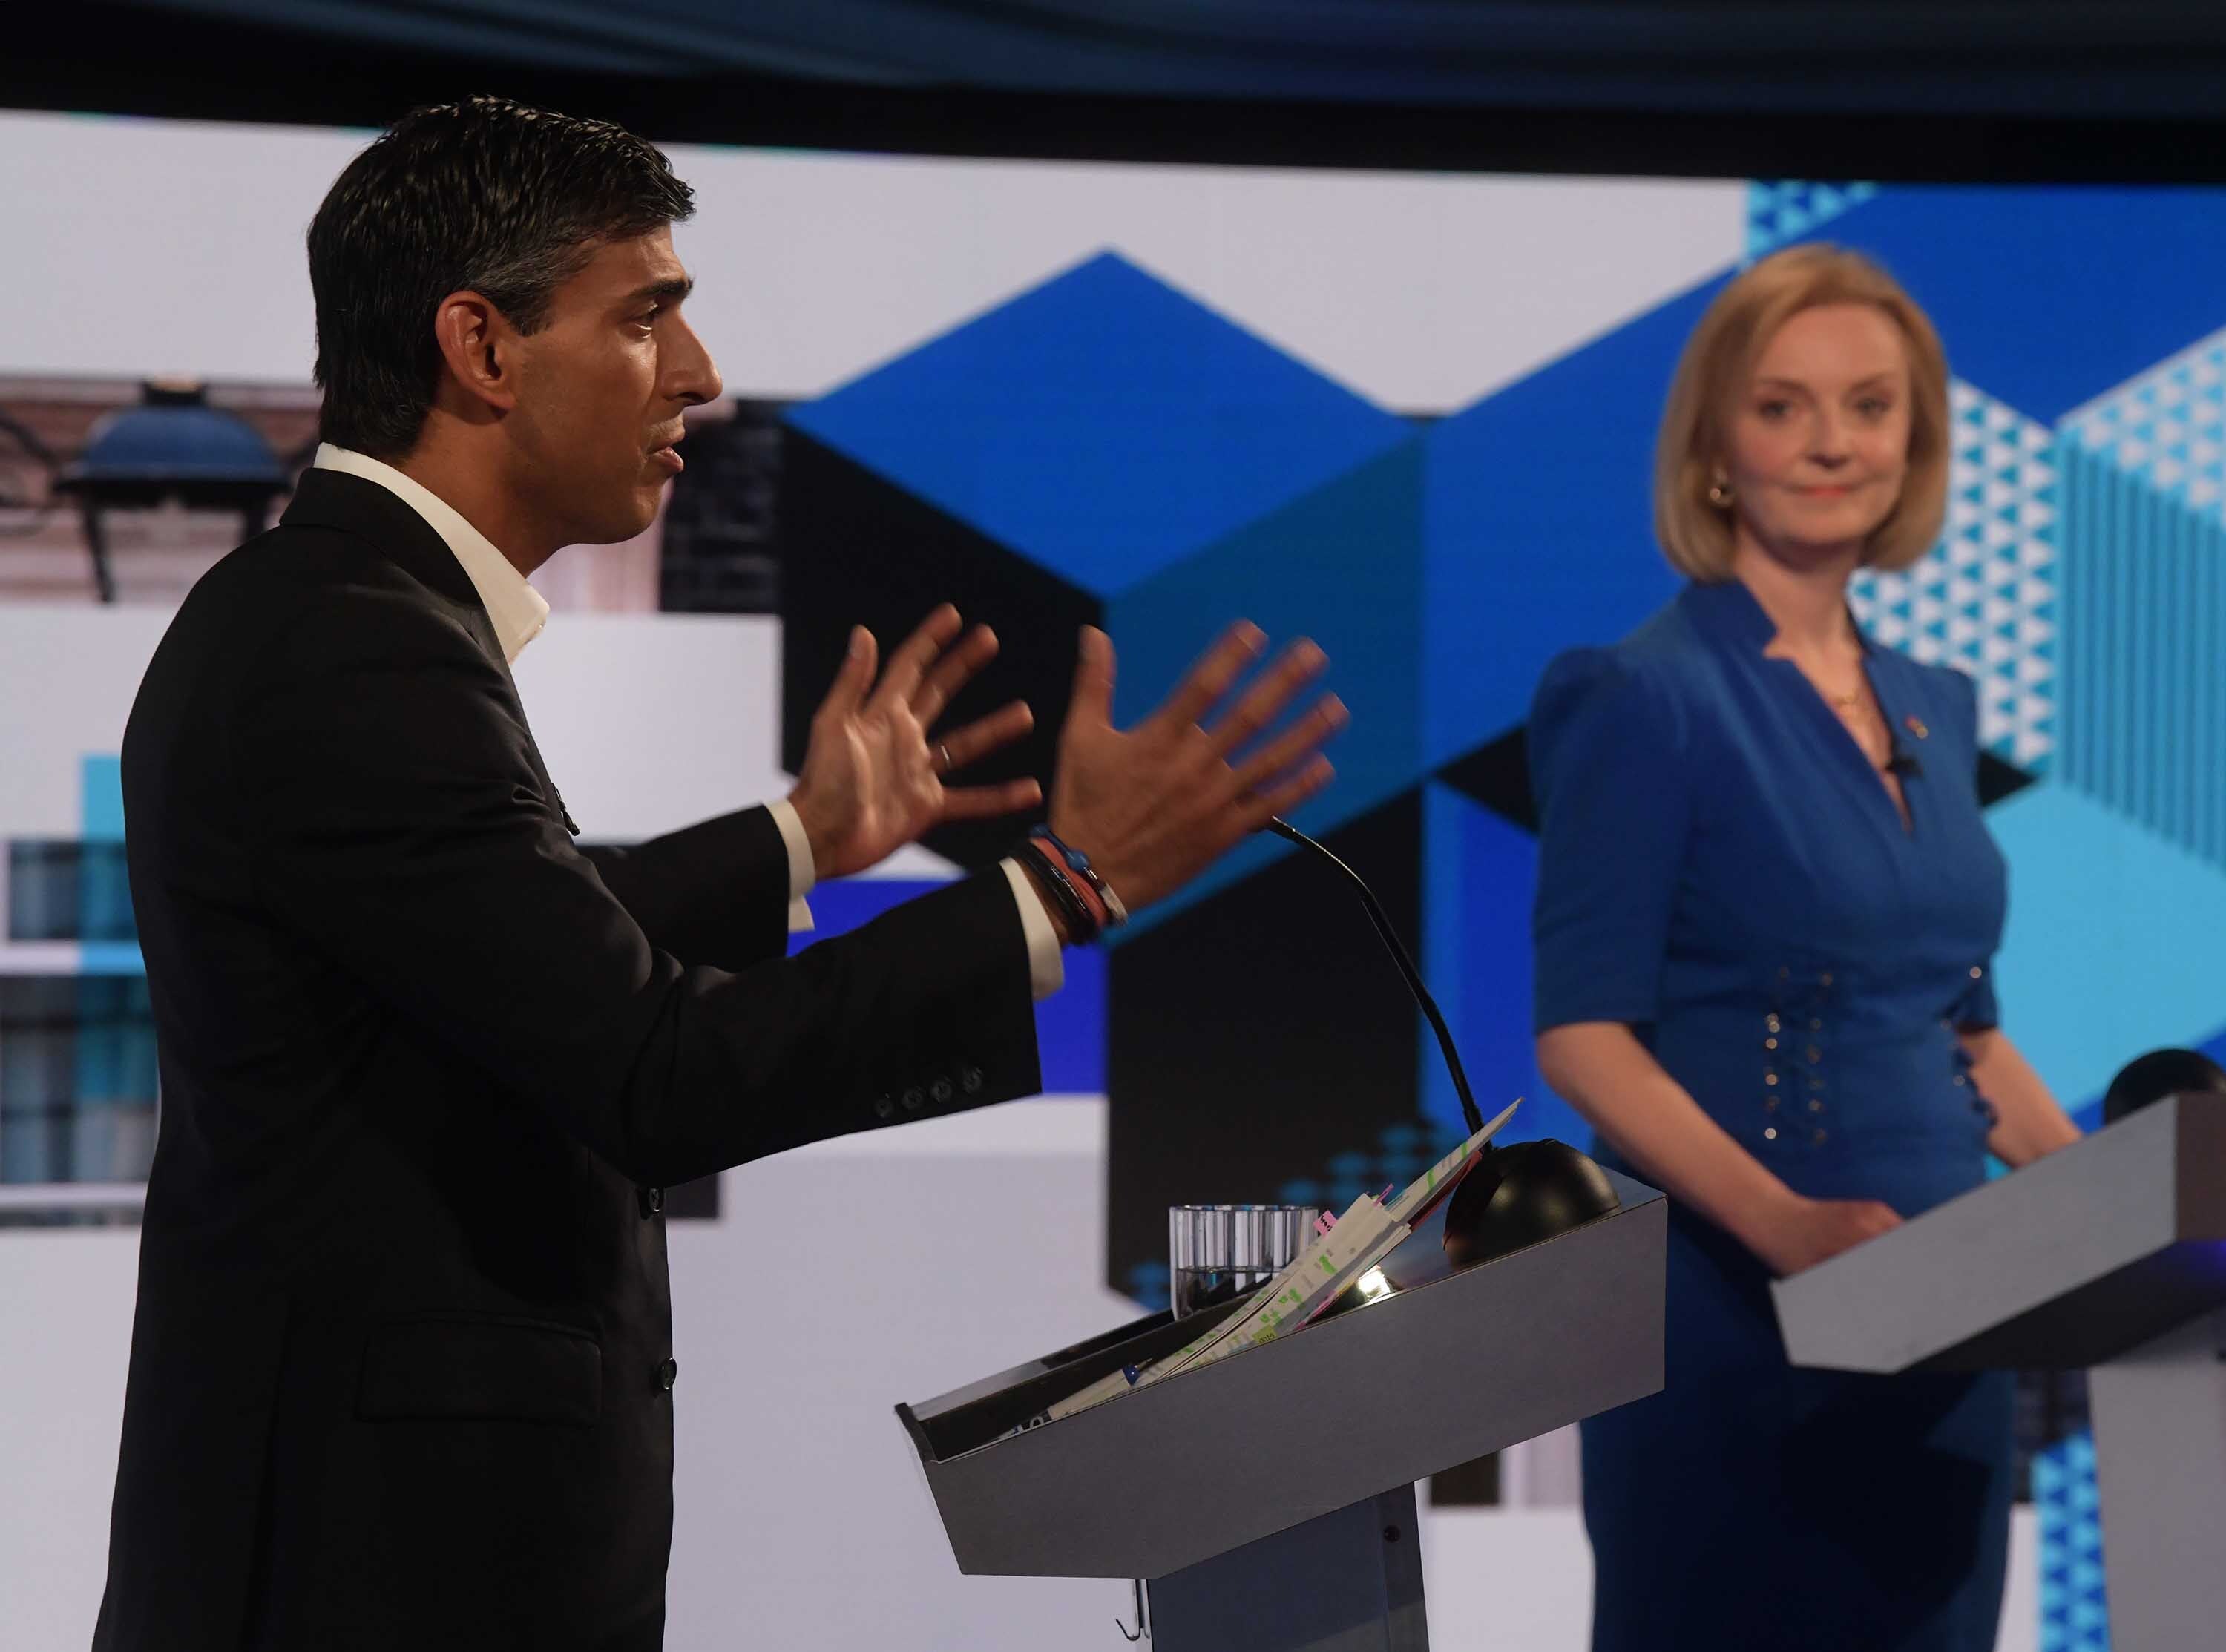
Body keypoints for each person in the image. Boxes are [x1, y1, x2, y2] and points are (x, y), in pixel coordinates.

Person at [93, 98, 1345, 1652]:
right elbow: (653, 1070)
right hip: (371, 1582)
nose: (700, 376)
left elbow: (497, 956)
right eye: (648, 318)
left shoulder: (340, 617)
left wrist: (803, 839)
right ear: (481, 348)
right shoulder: (354, 650)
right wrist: (1065, 887)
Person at [1528, 243, 2082, 1652]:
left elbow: (1962, 1024)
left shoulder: (1935, 705)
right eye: (1782, 407)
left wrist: (2110, 1206)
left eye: (1869, 407)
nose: (1831, 443)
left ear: (1917, 442)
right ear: (1714, 447)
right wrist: (1790, 1230)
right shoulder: (1642, 695)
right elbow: (1584, 1036)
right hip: (1736, 1326)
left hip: (1950, 1324)